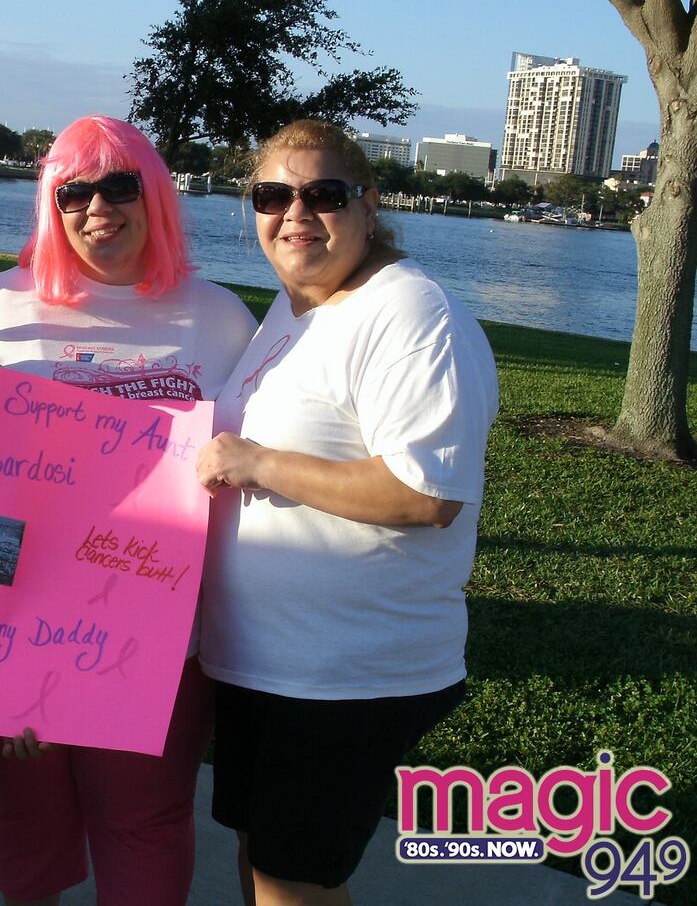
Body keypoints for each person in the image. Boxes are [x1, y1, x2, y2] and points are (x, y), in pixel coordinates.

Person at [0, 114, 257, 906]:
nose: (98, 208)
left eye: (119, 187)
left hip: (159, 638)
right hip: (12, 628)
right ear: (49, 206)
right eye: (73, 192)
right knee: (27, 814)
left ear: (154, 195)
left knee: (143, 822)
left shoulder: (222, 320)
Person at [195, 119, 499, 906]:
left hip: (344, 672)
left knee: (293, 879)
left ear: (368, 203)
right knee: (261, 857)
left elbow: (425, 493)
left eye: (322, 194)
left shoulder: (410, 312)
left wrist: (259, 462)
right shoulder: (295, 309)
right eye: (272, 195)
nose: (295, 213)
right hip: (263, 660)